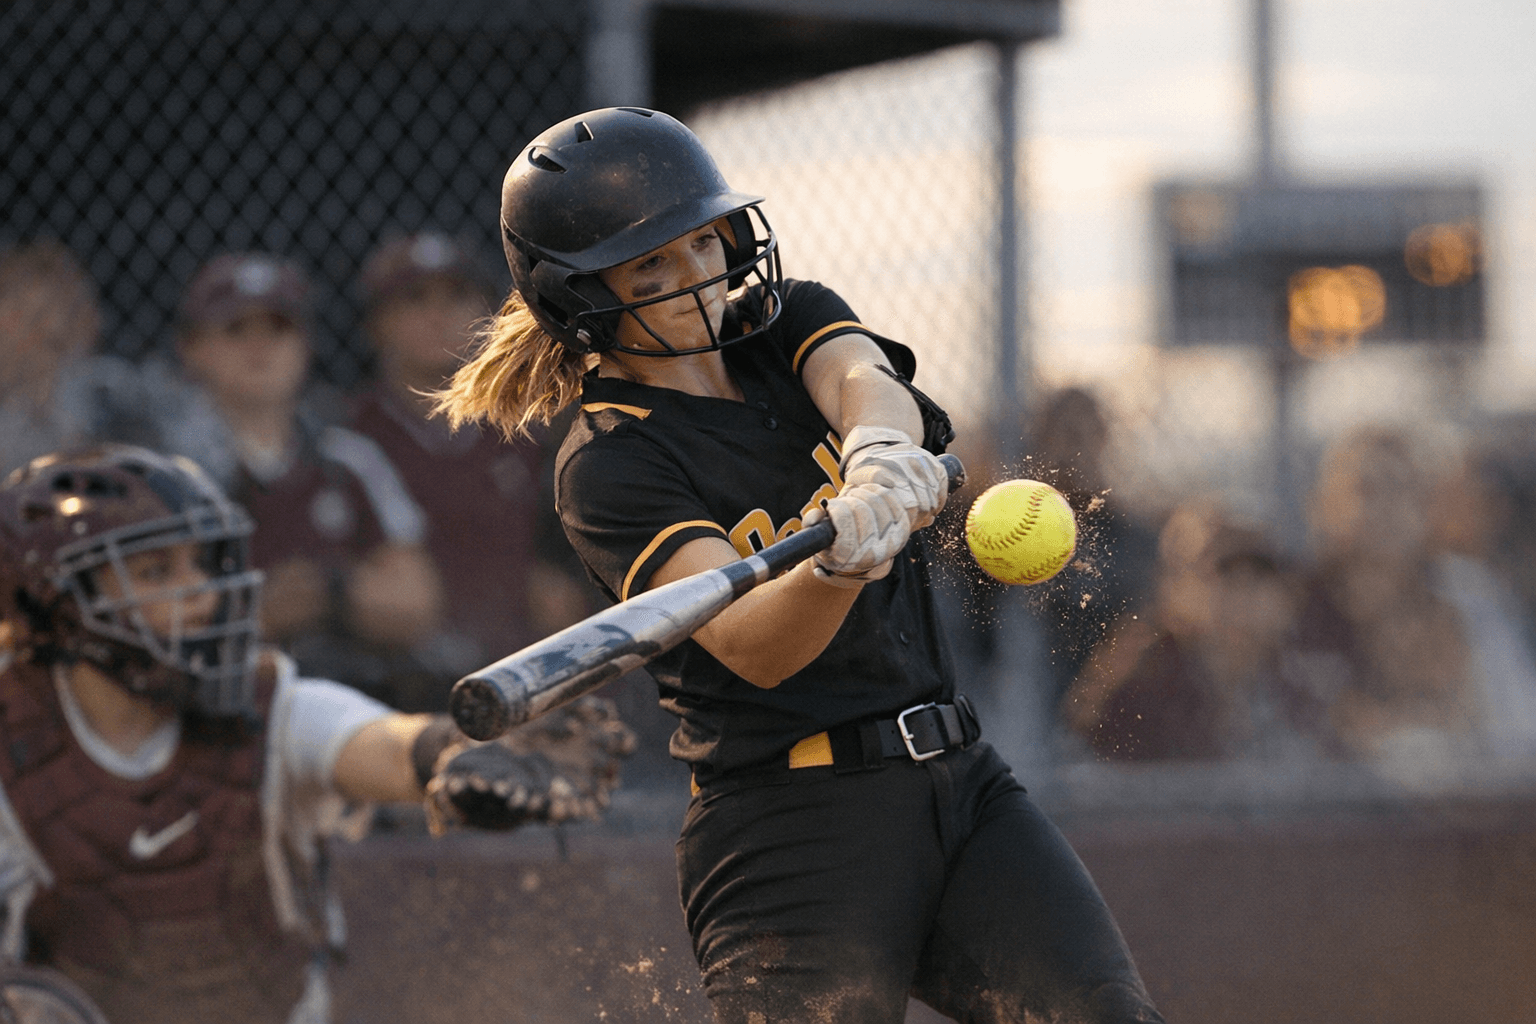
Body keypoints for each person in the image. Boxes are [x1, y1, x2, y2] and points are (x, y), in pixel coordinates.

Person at [433, 107, 1163, 1024]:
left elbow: (863, 383)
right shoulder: (610, 462)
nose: (697, 275)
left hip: (963, 785)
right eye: (652, 263)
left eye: (702, 241)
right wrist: (835, 569)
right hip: (790, 831)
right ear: (581, 298)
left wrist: (875, 456)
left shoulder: (783, 323)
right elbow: (753, 647)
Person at [0, 444, 635, 1024]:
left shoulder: (264, 705)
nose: (198, 594)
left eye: (200, 566)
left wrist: (456, 751)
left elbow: (380, 744)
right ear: (53, 602)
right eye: (157, 573)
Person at [171, 251, 443, 707]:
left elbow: (417, 604)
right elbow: (161, 616)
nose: (260, 348)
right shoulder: (174, 473)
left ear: (305, 344)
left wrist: (330, 589)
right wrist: (263, 614)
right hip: (221, 700)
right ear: (193, 348)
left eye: (278, 328)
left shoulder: (347, 458)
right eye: (236, 329)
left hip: (349, 693)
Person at [347, 232, 592, 708]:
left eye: (456, 297)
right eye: (415, 299)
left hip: (525, 670)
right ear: (377, 323)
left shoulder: (532, 422)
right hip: (395, 685)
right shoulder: (348, 435)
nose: (438, 316)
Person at [1062, 501, 1326, 761]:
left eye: (1258, 579)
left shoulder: (1304, 686)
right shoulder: (1136, 687)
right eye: (1222, 576)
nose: (1242, 601)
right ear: (1172, 587)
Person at [0, 240, 165, 477]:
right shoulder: (12, 412)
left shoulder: (105, 391)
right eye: (18, 313)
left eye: (40, 315)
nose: (34, 334)